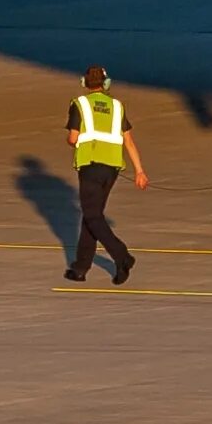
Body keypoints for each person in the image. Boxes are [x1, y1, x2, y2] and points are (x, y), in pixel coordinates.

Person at [63, 64, 147, 284]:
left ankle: (122, 256)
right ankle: (80, 268)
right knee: (93, 215)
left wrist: (77, 142)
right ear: (106, 83)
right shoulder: (117, 106)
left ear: (84, 83)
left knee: (92, 216)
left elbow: (73, 138)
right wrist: (139, 170)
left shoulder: (79, 104)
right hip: (112, 168)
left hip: (90, 165)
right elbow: (128, 140)